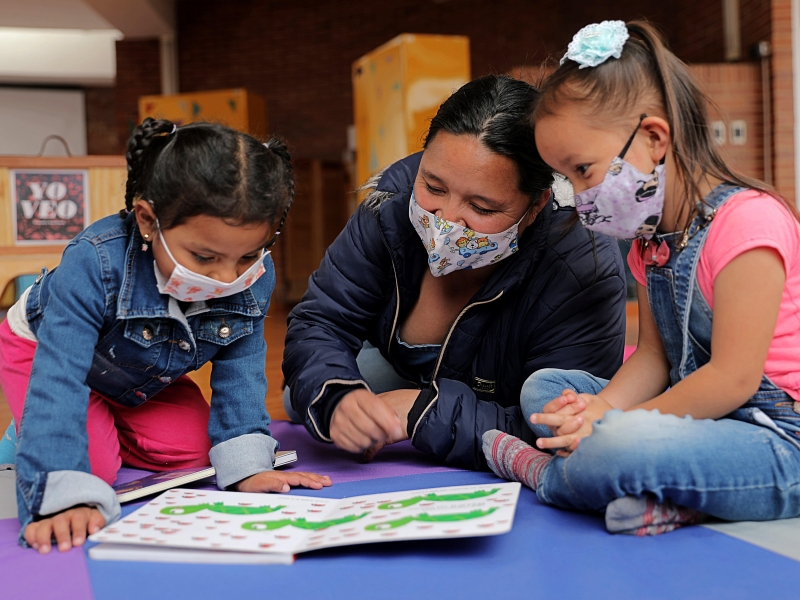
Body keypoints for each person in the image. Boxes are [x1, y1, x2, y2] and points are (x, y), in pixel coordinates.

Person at [484, 20, 800, 535]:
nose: (578, 194)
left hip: (779, 439)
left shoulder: (749, 223)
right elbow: (654, 358)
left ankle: (551, 476)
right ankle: (665, 492)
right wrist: (600, 406)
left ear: (654, 138)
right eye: (567, 177)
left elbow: (732, 379)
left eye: (583, 169)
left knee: (614, 445)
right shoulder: (650, 242)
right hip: (699, 423)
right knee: (545, 390)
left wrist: (612, 425)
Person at [0, 118, 331, 554]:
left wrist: (248, 465)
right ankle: (29, 435)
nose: (227, 277)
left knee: (199, 455)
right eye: (205, 256)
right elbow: (60, 374)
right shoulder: (92, 262)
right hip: (47, 355)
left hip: (139, 368)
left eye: (248, 255)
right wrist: (59, 487)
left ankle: (101, 420)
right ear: (147, 220)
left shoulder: (253, 277)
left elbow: (242, 369)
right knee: (89, 473)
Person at [283, 75, 627, 469]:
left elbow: (556, 426)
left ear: (535, 207)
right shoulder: (390, 205)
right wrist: (338, 397)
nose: (446, 221)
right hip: (400, 372)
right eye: (433, 185)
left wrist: (420, 410)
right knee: (307, 398)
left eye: (481, 209)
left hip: (500, 399)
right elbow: (320, 320)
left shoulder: (583, 264)